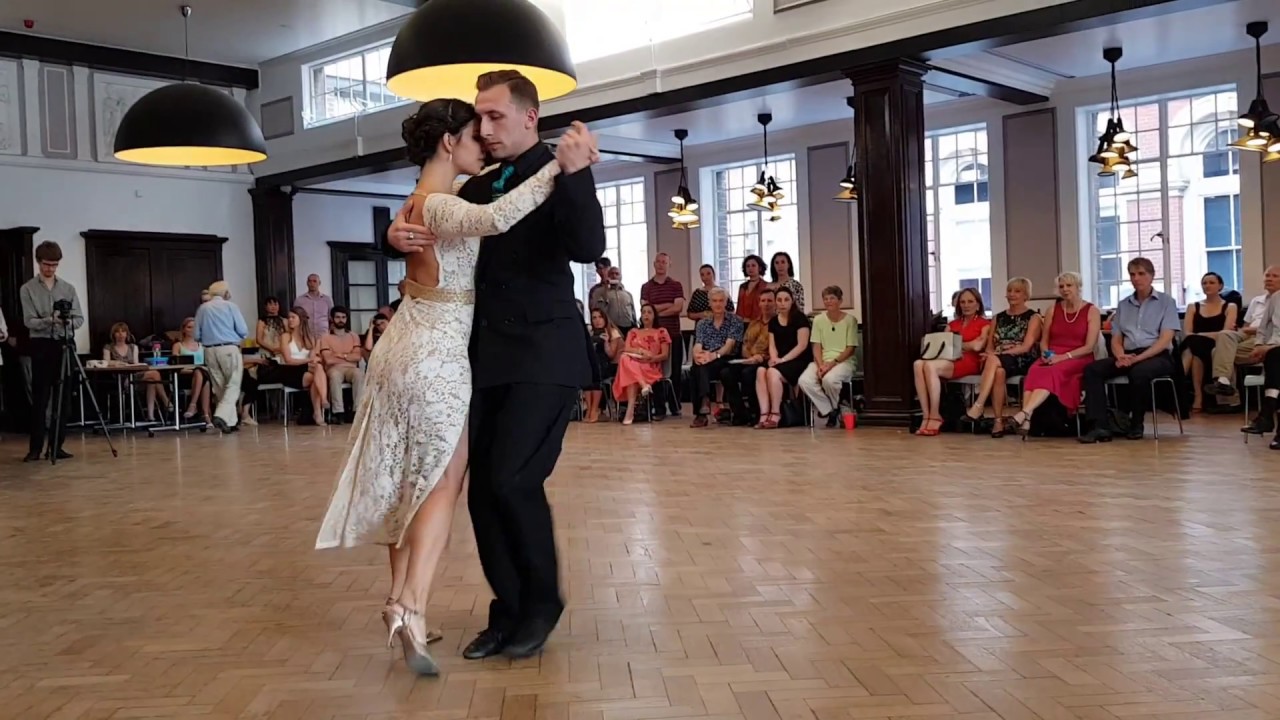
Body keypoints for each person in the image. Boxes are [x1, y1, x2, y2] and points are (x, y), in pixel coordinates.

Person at [322, 76, 603, 673]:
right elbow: (435, 221)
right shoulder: (474, 184)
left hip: (544, 353)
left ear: (531, 117)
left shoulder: (560, 168)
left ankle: (540, 607)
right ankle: (508, 609)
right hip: (481, 357)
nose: (486, 129)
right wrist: (391, 236)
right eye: (479, 119)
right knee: (479, 492)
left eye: (496, 117)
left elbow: (588, 244)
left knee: (510, 481)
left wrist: (573, 172)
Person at [1078, 257, 1179, 443]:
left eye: (1141, 274)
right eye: (1132, 274)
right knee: (1093, 370)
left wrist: (1138, 359)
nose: (1136, 278)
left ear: (1151, 276)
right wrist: (1120, 355)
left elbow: (1165, 339)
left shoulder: (1166, 302)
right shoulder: (1124, 305)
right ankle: (1100, 425)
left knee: (1140, 372)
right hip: (1128, 353)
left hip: (1156, 354)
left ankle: (1136, 422)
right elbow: (1116, 337)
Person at [19, 241, 82, 462]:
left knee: (63, 399)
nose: (51, 269)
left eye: (54, 265)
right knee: (40, 398)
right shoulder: (27, 289)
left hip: (63, 345)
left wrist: (66, 323)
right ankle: (35, 448)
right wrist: (50, 320)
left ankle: (56, 446)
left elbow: (79, 319)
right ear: (38, 262)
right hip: (41, 346)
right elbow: (29, 322)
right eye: (47, 265)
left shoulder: (68, 288)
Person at [194, 281, 248, 433]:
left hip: (209, 350)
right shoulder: (231, 307)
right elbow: (243, 330)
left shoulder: (202, 308)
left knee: (219, 386)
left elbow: (196, 335)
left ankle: (230, 423)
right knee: (233, 384)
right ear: (225, 293)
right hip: (229, 348)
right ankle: (222, 415)